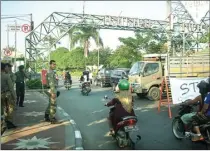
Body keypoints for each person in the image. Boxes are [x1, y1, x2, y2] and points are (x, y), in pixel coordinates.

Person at [1, 62, 17, 130]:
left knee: (4, 109)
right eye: (6, 67)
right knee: (10, 108)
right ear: (4, 68)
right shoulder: (6, 76)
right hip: (7, 94)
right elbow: (11, 87)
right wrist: (14, 96)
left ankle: (4, 123)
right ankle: (9, 122)